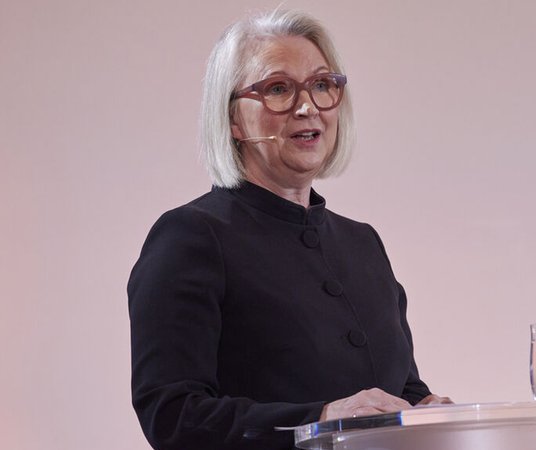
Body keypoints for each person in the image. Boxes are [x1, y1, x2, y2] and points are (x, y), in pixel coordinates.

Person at [127, 9, 451, 450]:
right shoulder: (191, 236)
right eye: (278, 89)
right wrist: (319, 419)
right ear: (233, 120)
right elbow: (171, 415)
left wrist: (427, 409)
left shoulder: (363, 243)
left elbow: (398, 388)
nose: (307, 106)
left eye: (322, 85)